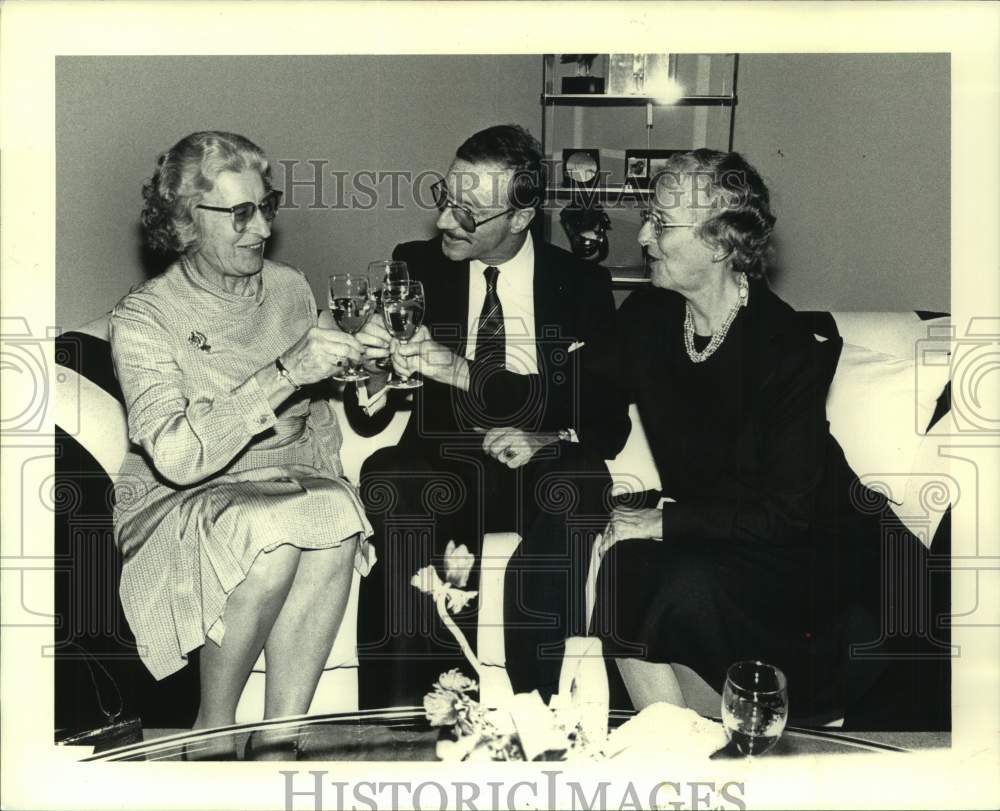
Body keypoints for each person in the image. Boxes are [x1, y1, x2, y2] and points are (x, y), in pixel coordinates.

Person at [109, 131, 373, 759]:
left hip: (288, 477)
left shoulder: (290, 287)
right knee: (272, 536)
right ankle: (213, 732)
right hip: (181, 498)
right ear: (183, 223)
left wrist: (372, 374)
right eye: (239, 213)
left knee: (336, 512)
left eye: (266, 205)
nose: (261, 227)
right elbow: (174, 455)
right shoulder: (143, 317)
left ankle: (282, 735)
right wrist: (283, 372)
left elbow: (321, 411)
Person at [590, 149, 876, 722]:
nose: (643, 236)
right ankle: (671, 756)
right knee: (626, 568)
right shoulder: (650, 316)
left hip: (811, 553)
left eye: (661, 224)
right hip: (718, 537)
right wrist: (451, 368)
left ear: (719, 245)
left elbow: (788, 514)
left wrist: (662, 521)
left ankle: (712, 753)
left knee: (685, 588)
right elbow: (573, 389)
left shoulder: (784, 346)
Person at [351, 124, 630, 707]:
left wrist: (544, 429)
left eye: (469, 213)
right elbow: (372, 418)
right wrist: (372, 362)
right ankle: (405, 720)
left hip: (541, 466)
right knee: (391, 477)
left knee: (577, 485)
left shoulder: (582, 283)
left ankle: (543, 716)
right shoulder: (415, 267)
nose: (447, 222)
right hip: (444, 462)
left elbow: (607, 421)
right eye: (444, 200)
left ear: (520, 217)